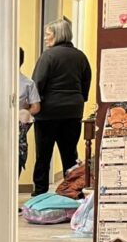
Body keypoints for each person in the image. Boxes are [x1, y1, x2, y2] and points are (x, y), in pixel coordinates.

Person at [30, 19, 91, 196]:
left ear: (57, 35)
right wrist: (78, 100)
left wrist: (33, 105)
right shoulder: (81, 56)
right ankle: (72, 191)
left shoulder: (48, 56)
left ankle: (40, 192)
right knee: (70, 155)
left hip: (48, 113)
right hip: (73, 112)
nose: (45, 38)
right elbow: (86, 83)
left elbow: (37, 84)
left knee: (43, 155)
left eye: (48, 34)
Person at [17, 46, 40, 175]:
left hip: (19, 128)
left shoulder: (27, 83)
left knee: (18, 159)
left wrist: (25, 113)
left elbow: (36, 107)